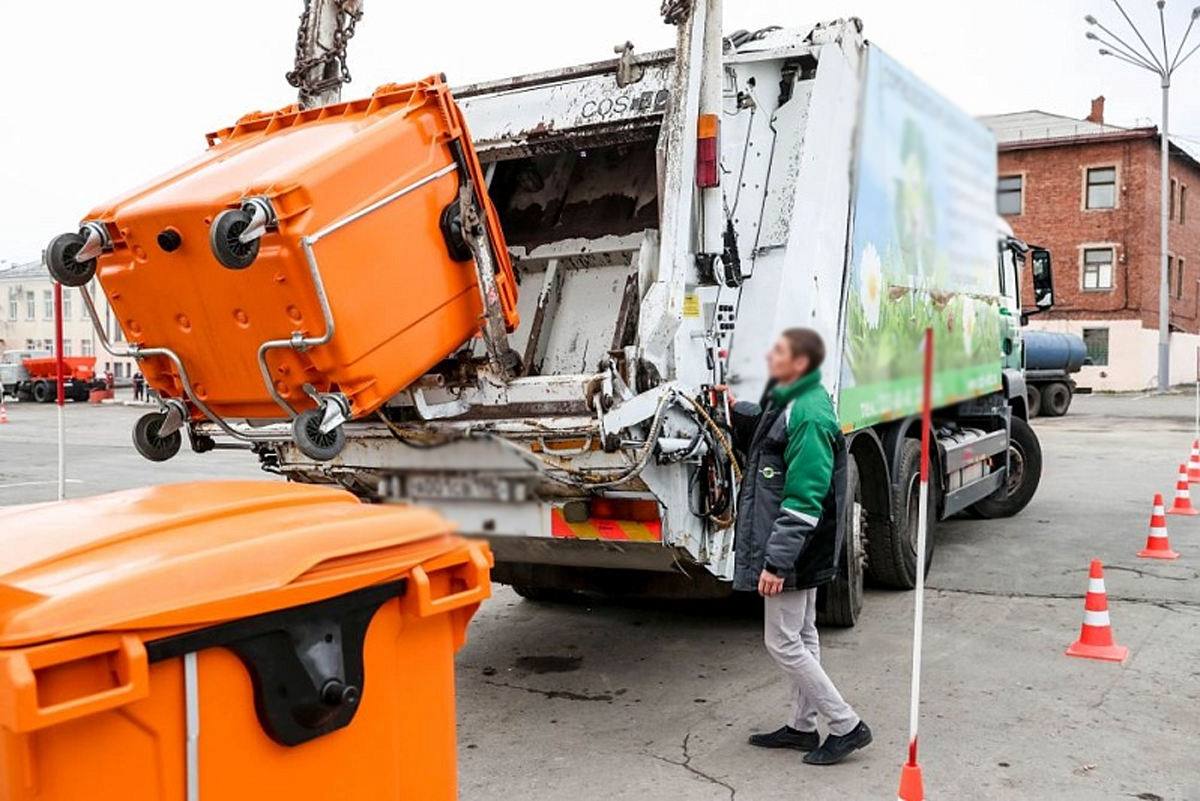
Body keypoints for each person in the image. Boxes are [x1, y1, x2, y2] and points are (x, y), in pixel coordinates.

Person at [730, 327, 871, 766]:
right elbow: (770, 428)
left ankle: (846, 724)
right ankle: (802, 727)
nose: (771, 357)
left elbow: (804, 501)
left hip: (795, 548)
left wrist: (775, 563)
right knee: (803, 633)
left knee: (782, 641)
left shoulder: (808, 415)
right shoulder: (794, 399)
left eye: (781, 353)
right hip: (801, 548)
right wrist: (735, 410)